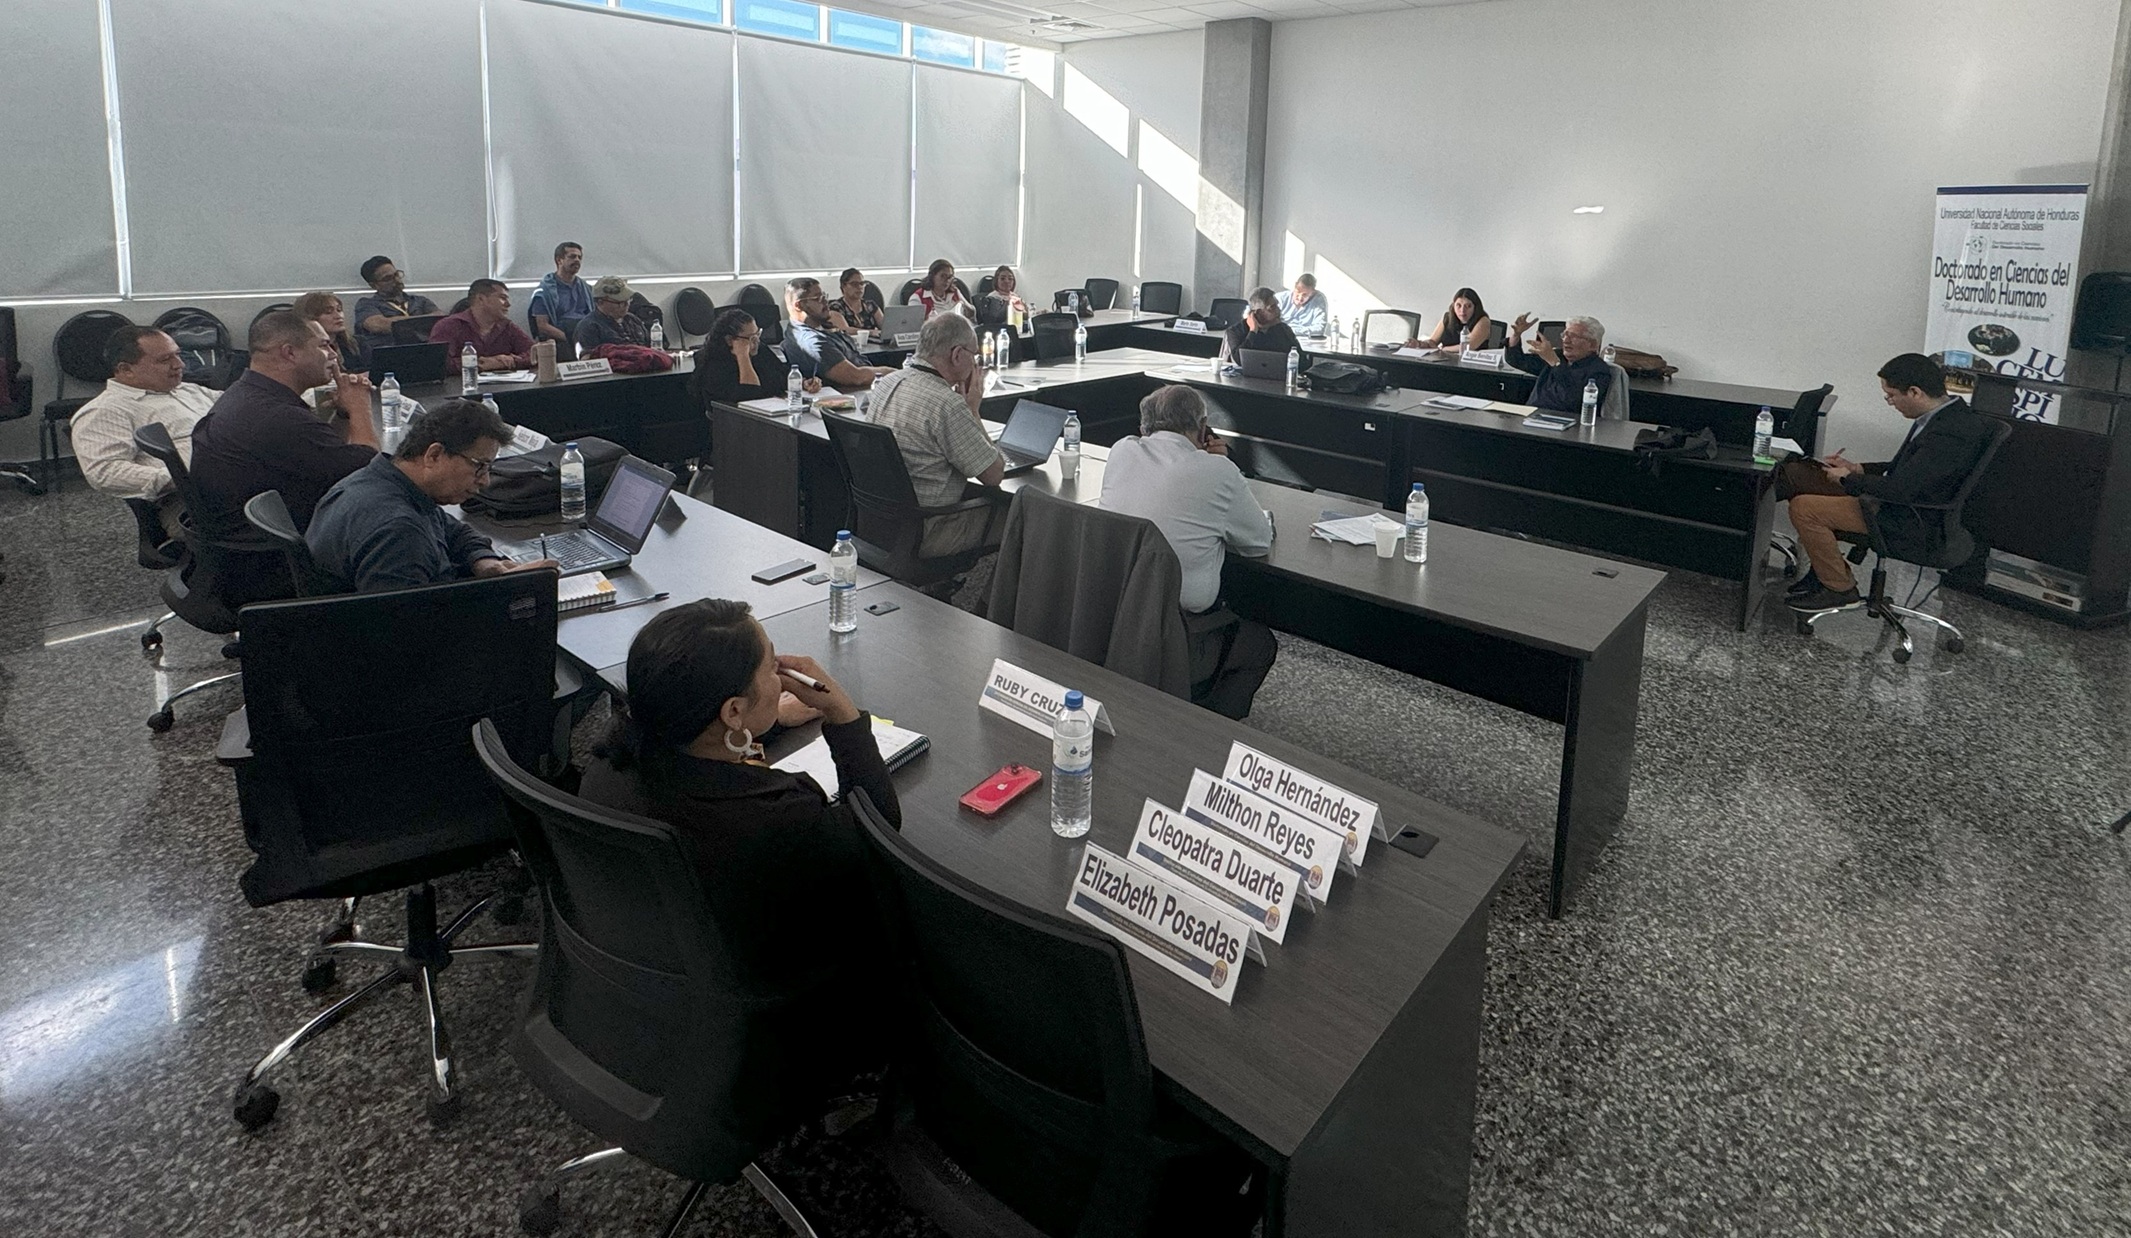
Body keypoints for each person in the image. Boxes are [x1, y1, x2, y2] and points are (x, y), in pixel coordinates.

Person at [577, 598, 900, 1101]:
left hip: (645, 995)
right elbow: (877, 828)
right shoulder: (778, 818)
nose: (781, 674)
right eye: (770, 667)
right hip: (767, 1024)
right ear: (731, 710)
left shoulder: (606, 766)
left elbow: (698, 761)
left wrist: (759, 723)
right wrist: (842, 714)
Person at [1099, 385, 1278, 718]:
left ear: (1143, 427)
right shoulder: (1218, 470)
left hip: (1112, 618)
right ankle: (1206, 731)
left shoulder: (1121, 451)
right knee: (1260, 644)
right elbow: (1257, 542)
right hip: (1178, 635)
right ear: (1203, 427)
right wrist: (1221, 466)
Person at [1780, 353, 1997, 614]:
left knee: (1804, 508)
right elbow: (1909, 468)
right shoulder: (1940, 416)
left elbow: (1902, 489)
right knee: (1800, 475)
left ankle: (1839, 589)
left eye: (1891, 395)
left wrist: (1849, 478)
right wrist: (1858, 468)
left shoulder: (1951, 432)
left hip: (1912, 518)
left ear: (1915, 392)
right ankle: (1822, 571)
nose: (1890, 402)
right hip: (1899, 503)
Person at [188, 310, 380, 603]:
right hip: (272, 566)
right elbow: (370, 470)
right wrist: (360, 407)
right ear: (290, 353)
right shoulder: (277, 416)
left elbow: (334, 458)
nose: (333, 354)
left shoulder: (248, 393)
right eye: (324, 345)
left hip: (241, 549)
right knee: (401, 526)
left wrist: (344, 414)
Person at [305, 398, 553, 593]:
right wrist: (508, 591)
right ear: (434, 455)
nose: (485, 481)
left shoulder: (380, 483)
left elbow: (452, 530)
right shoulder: (399, 531)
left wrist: (486, 562)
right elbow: (405, 630)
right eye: (479, 466)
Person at [869, 313, 1005, 556]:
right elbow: (994, 475)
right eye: (974, 356)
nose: (975, 364)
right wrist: (973, 412)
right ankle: (986, 583)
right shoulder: (946, 404)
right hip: (932, 530)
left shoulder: (886, 383)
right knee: (1021, 514)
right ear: (957, 355)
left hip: (882, 523)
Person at [69, 325, 219, 539]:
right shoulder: (105, 411)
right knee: (267, 515)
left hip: (229, 483)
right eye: (165, 360)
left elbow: (240, 407)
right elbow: (104, 472)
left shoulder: (188, 390)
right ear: (126, 370)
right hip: (188, 502)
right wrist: (181, 477)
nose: (180, 364)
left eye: (177, 355)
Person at [690, 307, 817, 407]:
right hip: (735, 424)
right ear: (730, 340)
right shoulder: (714, 365)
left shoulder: (760, 350)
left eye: (758, 334)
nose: (756, 342)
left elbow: (781, 374)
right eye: (751, 338)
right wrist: (742, 356)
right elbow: (750, 396)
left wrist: (803, 383)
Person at [785, 277, 895, 390]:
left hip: (868, 380)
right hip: (855, 392)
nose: (825, 302)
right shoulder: (813, 342)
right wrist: (897, 374)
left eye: (824, 296)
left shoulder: (816, 326)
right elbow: (856, 377)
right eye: (818, 298)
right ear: (799, 306)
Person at [1505, 313, 1614, 415]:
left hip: (1567, 421)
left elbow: (1572, 400)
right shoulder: (1557, 355)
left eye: (1574, 336)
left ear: (1593, 345)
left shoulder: (1598, 370)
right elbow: (1517, 360)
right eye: (1564, 335)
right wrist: (1516, 335)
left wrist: (1555, 362)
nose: (1566, 340)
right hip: (1532, 415)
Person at [353, 256, 440, 359]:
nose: (397, 280)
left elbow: (440, 319)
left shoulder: (419, 301)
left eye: (397, 274)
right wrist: (424, 322)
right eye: (388, 278)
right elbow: (378, 325)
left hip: (425, 353)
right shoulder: (366, 304)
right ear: (374, 285)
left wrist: (402, 324)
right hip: (390, 356)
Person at [528, 241, 592, 356]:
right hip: (562, 338)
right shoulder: (544, 291)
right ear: (559, 260)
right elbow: (542, 326)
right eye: (572, 256)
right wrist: (571, 338)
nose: (577, 260)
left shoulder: (586, 288)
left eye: (579, 257)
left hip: (585, 333)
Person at [1219, 287, 1305, 365]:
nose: (1278, 310)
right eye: (1272, 307)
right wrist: (1253, 331)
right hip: (1245, 376)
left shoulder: (1283, 329)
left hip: (1278, 376)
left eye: (1277, 305)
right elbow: (1239, 360)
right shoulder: (1236, 331)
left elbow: (1303, 360)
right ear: (1259, 312)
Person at [572, 276, 650, 355]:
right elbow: (591, 358)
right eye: (619, 302)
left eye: (628, 300)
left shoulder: (633, 320)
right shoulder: (589, 327)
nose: (626, 305)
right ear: (600, 302)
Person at [294, 291, 363, 373]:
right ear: (310, 317)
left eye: (339, 310)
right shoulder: (303, 351)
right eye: (328, 312)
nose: (338, 316)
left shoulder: (358, 343)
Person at [1410, 287, 1494, 353]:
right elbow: (1433, 342)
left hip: (1472, 364)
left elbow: (1469, 346)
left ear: (1475, 307)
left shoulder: (1483, 320)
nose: (1462, 310)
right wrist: (1419, 344)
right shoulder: (1448, 318)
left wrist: (1444, 349)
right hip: (1446, 361)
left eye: (1468, 306)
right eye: (1458, 305)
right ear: (1453, 306)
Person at [826, 268, 881, 336]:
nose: (859, 287)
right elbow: (844, 330)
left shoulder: (870, 305)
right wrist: (870, 332)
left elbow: (886, 326)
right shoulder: (835, 307)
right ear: (843, 286)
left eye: (862, 283)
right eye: (854, 284)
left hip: (873, 342)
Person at [1276, 273, 1329, 337]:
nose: (1300, 298)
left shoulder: (1318, 300)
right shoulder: (1280, 298)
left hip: (1306, 340)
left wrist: (1292, 331)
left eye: (1305, 295)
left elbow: (1319, 329)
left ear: (1312, 292)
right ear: (1295, 286)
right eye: (1298, 292)